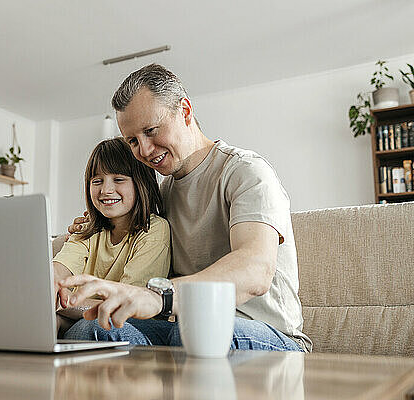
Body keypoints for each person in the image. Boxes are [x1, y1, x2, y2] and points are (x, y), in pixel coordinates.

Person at [57, 64, 312, 352]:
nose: (144, 150)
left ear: (186, 111)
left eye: (151, 131)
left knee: (195, 333)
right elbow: (122, 226)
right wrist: (91, 224)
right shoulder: (162, 194)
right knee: (92, 329)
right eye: (133, 141)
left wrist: (159, 297)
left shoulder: (246, 172)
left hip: (270, 336)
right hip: (185, 325)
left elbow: (255, 270)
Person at [53, 137, 171, 334]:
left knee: (93, 327)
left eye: (118, 179)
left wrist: (63, 303)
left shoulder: (154, 230)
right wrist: (50, 289)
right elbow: (58, 272)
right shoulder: (86, 230)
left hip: (128, 323)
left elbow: (125, 305)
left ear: (140, 182)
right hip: (80, 316)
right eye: (97, 181)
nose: (106, 190)